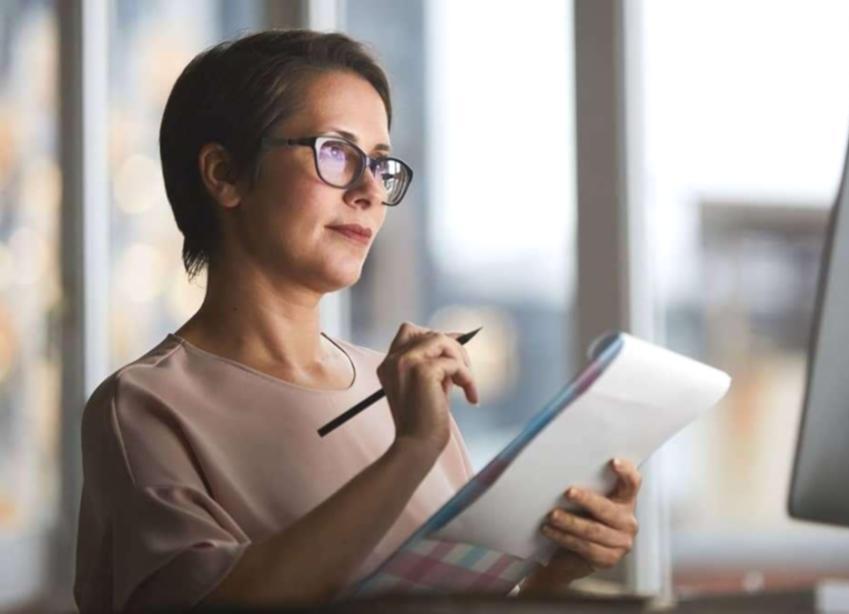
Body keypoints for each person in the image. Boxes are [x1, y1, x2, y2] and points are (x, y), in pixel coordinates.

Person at [73, 29, 642, 612]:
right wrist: (412, 450)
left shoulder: (395, 386)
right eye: (336, 153)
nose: (371, 190)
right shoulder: (143, 407)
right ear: (224, 174)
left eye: (380, 163)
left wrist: (554, 577)